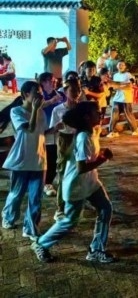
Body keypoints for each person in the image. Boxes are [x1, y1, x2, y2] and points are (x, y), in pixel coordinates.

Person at [30, 101, 115, 263]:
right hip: (76, 185)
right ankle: (41, 244)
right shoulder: (83, 137)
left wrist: (99, 155)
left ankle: (96, 249)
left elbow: (89, 158)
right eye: (96, 112)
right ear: (87, 117)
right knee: (69, 221)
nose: (100, 114)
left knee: (105, 209)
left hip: (90, 182)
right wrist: (103, 158)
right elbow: (81, 167)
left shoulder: (92, 132)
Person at [1, 81, 48, 240]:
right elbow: (30, 128)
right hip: (21, 160)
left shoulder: (41, 112)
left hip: (39, 159)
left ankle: (30, 228)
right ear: (26, 94)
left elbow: (41, 132)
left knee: (36, 198)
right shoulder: (16, 111)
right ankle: (8, 217)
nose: (40, 95)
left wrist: (55, 129)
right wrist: (35, 110)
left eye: (40, 92)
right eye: (36, 92)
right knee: (16, 194)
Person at [49, 78, 81, 222]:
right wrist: (58, 127)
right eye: (72, 90)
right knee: (63, 173)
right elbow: (53, 130)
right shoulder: (58, 109)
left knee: (80, 172)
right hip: (64, 140)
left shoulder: (82, 108)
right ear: (65, 92)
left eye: (78, 90)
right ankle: (60, 208)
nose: (76, 93)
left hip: (79, 139)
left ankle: (76, 203)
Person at [38, 72, 66, 198]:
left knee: (54, 157)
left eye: (55, 80)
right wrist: (51, 101)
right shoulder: (39, 95)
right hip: (43, 131)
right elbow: (36, 106)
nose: (54, 82)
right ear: (43, 82)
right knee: (44, 158)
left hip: (58, 132)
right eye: (50, 80)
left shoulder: (60, 95)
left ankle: (48, 182)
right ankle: (43, 182)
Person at [107, 61, 138, 138]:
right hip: (117, 99)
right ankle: (112, 131)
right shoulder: (115, 75)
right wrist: (122, 85)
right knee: (114, 116)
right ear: (117, 66)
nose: (121, 66)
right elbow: (114, 87)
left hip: (126, 98)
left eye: (122, 65)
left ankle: (135, 129)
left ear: (125, 67)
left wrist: (118, 85)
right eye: (119, 65)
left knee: (128, 115)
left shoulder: (128, 75)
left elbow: (130, 85)